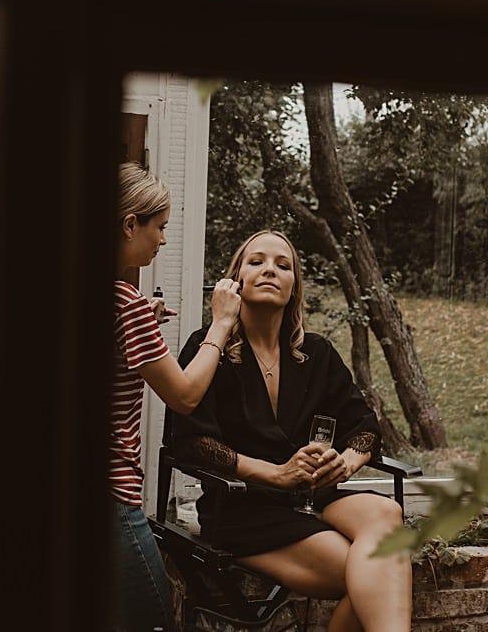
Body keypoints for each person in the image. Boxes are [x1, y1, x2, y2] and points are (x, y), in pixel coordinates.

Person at [174, 230, 411, 632]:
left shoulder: (317, 353)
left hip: (311, 496)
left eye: (283, 266)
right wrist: (276, 473)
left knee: (387, 512)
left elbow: (365, 428)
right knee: (371, 570)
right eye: (257, 262)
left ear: (294, 286)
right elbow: (193, 442)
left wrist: (345, 462)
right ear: (235, 281)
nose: (270, 270)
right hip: (244, 507)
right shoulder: (208, 349)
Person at [111, 162, 242, 632]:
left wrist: (141, 317)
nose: (163, 240)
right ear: (130, 224)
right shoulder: (125, 304)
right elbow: (185, 395)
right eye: (160, 227)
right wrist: (222, 325)